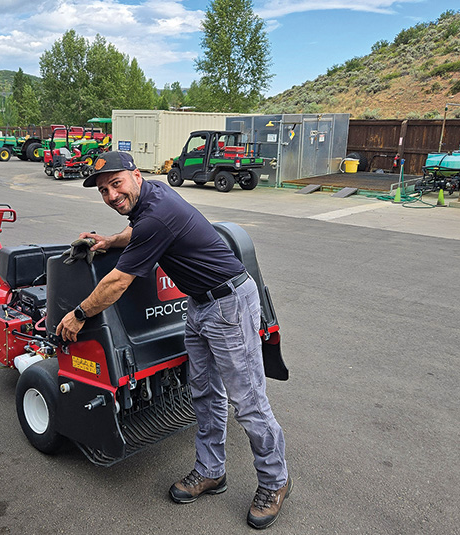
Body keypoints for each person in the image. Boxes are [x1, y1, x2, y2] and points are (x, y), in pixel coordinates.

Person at [55, 151, 291, 530]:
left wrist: (78, 313)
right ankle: (211, 471)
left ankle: (275, 482)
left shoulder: (156, 214)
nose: (111, 195)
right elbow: (139, 231)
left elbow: (117, 283)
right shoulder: (153, 198)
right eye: (103, 190)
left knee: (248, 401)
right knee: (204, 392)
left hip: (228, 305)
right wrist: (109, 241)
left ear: (135, 175)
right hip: (199, 306)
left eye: (116, 184)